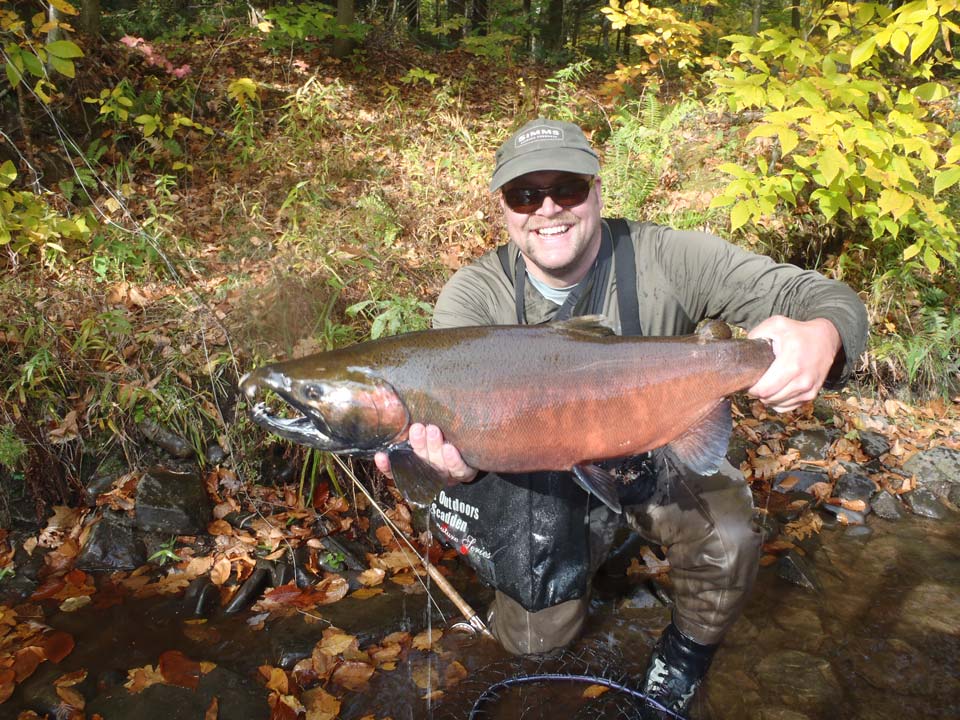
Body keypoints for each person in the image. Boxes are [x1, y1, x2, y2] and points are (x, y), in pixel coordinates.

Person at [375, 118, 868, 717]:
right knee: (534, 643)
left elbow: (827, 299)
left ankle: (684, 657)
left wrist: (821, 336)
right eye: (526, 194)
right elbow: (463, 439)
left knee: (729, 535)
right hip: (536, 475)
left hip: (653, 448)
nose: (548, 209)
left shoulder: (671, 256)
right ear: (503, 208)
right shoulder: (472, 298)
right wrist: (455, 469)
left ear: (598, 189)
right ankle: (604, 552)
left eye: (569, 189)